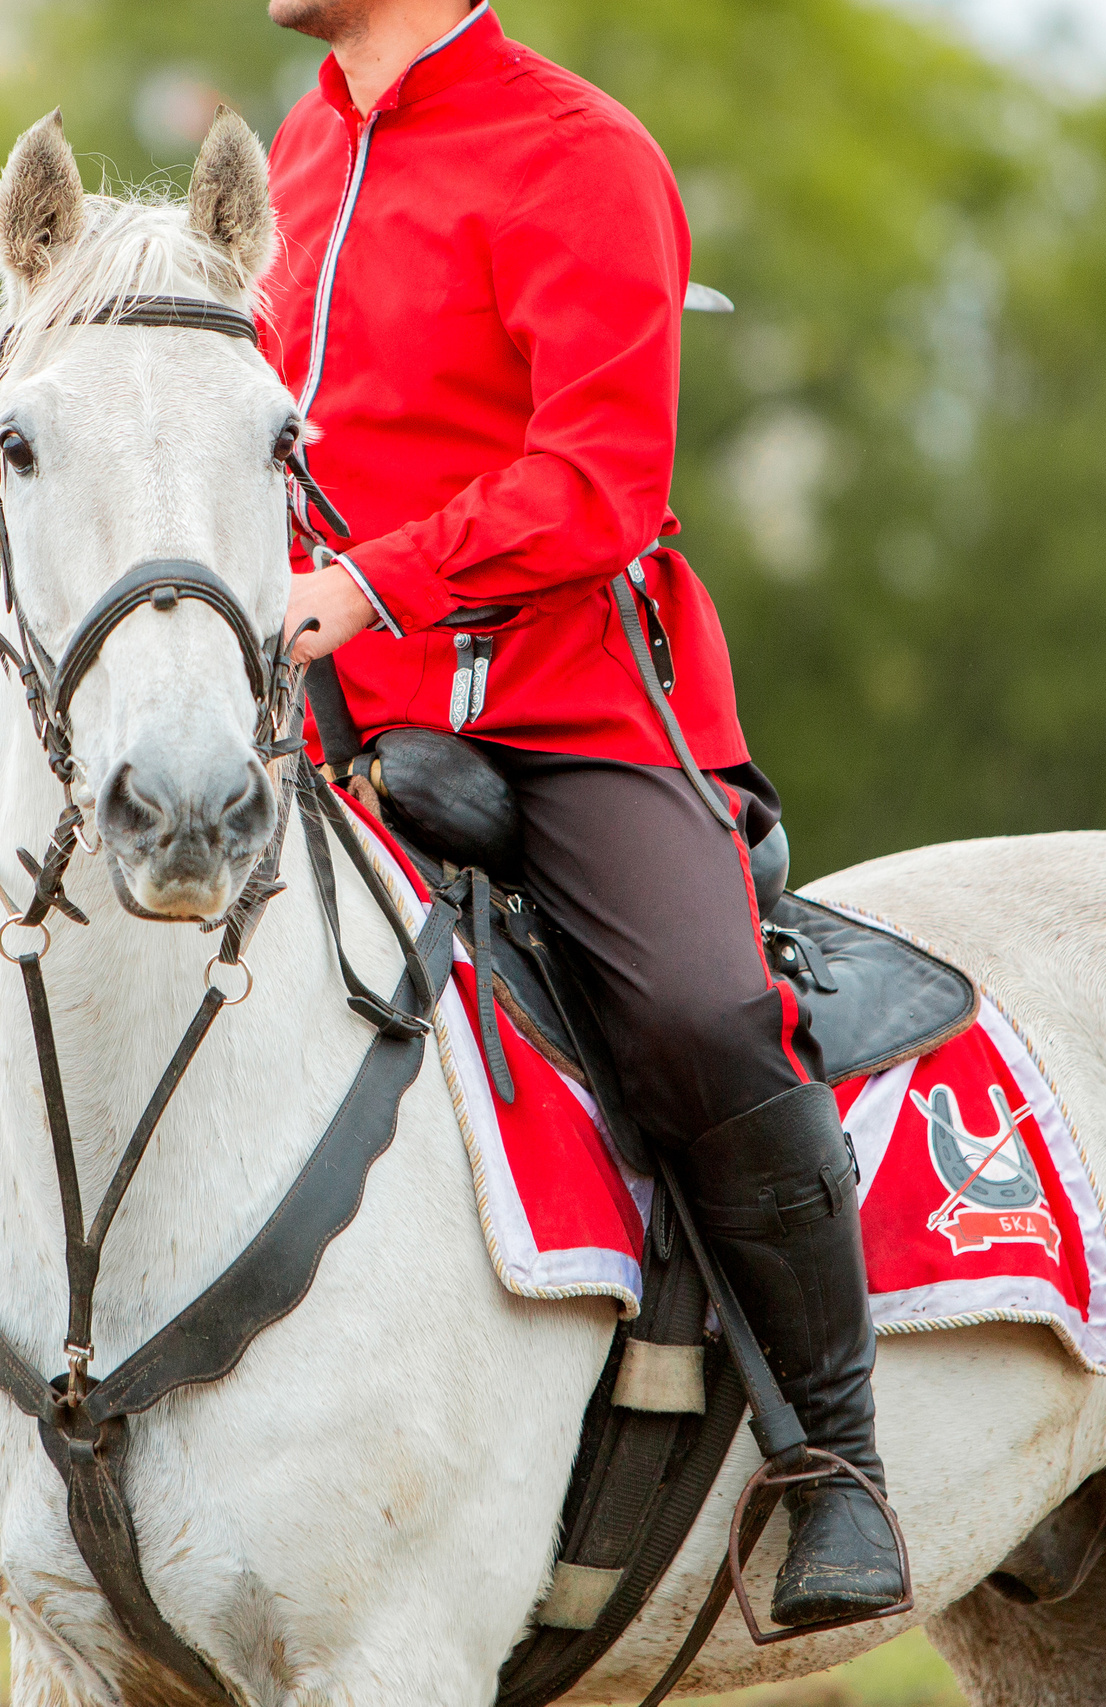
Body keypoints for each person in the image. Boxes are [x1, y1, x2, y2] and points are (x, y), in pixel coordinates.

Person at [262, 0, 903, 1626]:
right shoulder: (303, 143)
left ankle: (837, 1462)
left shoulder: (581, 154)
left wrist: (369, 584)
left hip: (570, 710)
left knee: (698, 1010)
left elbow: (599, 481)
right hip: (326, 710)